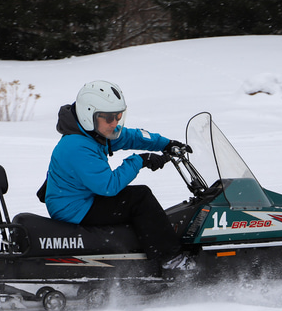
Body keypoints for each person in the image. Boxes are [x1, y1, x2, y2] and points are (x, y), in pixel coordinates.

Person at [43, 80, 191, 270]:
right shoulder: (77, 146)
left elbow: (130, 136)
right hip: (74, 208)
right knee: (140, 198)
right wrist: (141, 160)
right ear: (89, 115)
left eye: (118, 116)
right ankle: (172, 261)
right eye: (109, 118)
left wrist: (165, 144)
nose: (115, 123)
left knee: (136, 201)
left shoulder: (92, 133)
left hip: (81, 197)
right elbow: (108, 186)